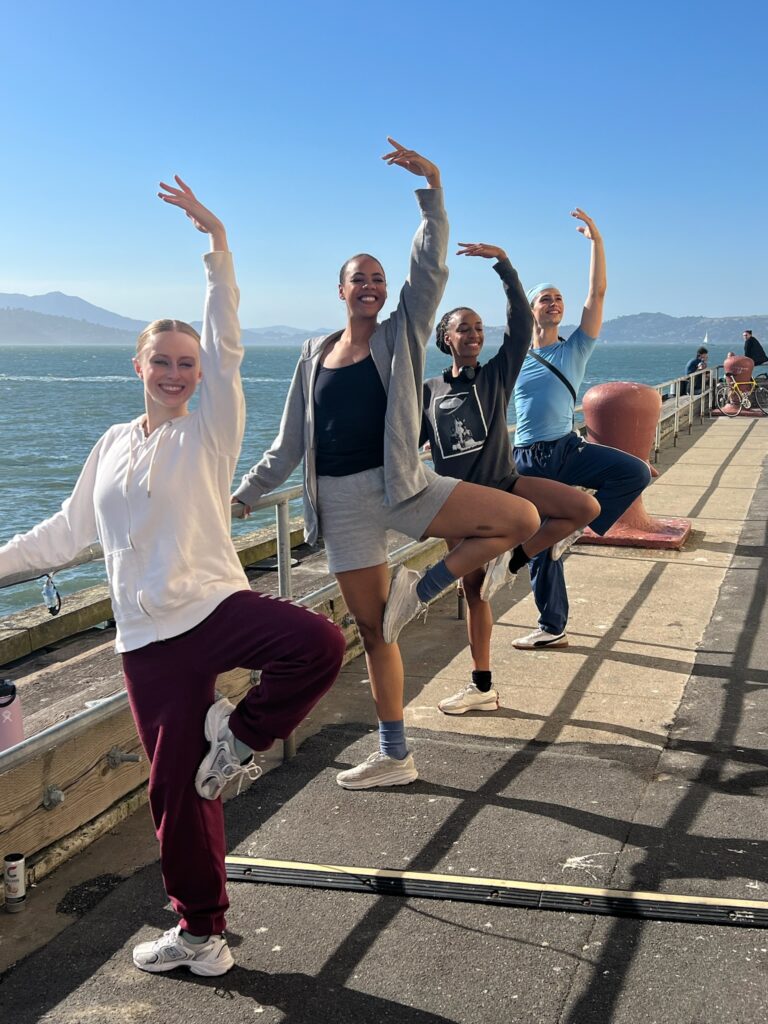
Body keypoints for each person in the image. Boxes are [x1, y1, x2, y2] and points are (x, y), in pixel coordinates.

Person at [0, 179, 346, 976]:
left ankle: (240, 735)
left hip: (212, 604)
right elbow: (64, 534)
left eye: (187, 363)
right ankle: (201, 935)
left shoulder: (211, 431)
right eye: (163, 360)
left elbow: (228, 345)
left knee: (317, 642)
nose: (177, 372)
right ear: (139, 364)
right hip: (147, 640)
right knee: (177, 796)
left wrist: (218, 250)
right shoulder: (112, 444)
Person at [233, 140, 540, 788]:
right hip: (340, 504)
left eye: (378, 278)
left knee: (519, 517)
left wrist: (431, 187)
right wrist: (246, 493)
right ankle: (395, 753)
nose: (371, 286)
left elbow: (428, 270)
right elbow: (291, 439)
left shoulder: (402, 332)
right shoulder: (314, 352)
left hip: (400, 482)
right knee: (374, 634)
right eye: (360, 278)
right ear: (341, 289)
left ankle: (420, 592)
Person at [421, 242, 599, 714]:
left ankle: (514, 561)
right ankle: (482, 687)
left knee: (584, 508)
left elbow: (521, 324)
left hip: (506, 483)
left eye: (480, 328)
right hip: (461, 505)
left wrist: (505, 267)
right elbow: (404, 443)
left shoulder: (498, 374)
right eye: (465, 328)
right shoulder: (428, 393)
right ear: (446, 337)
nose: (475, 334)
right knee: (476, 596)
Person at [511, 209, 653, 650]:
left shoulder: (574, 348)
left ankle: (579, 526)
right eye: (545, 299)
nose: (554, 303)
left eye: (558, 299)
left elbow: (597, 293)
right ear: (531, 309)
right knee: (539, 541)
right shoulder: (513, 356)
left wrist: (596, 240)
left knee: (636, 473)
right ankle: (553, 627)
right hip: (526, 458)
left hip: (566, 449)